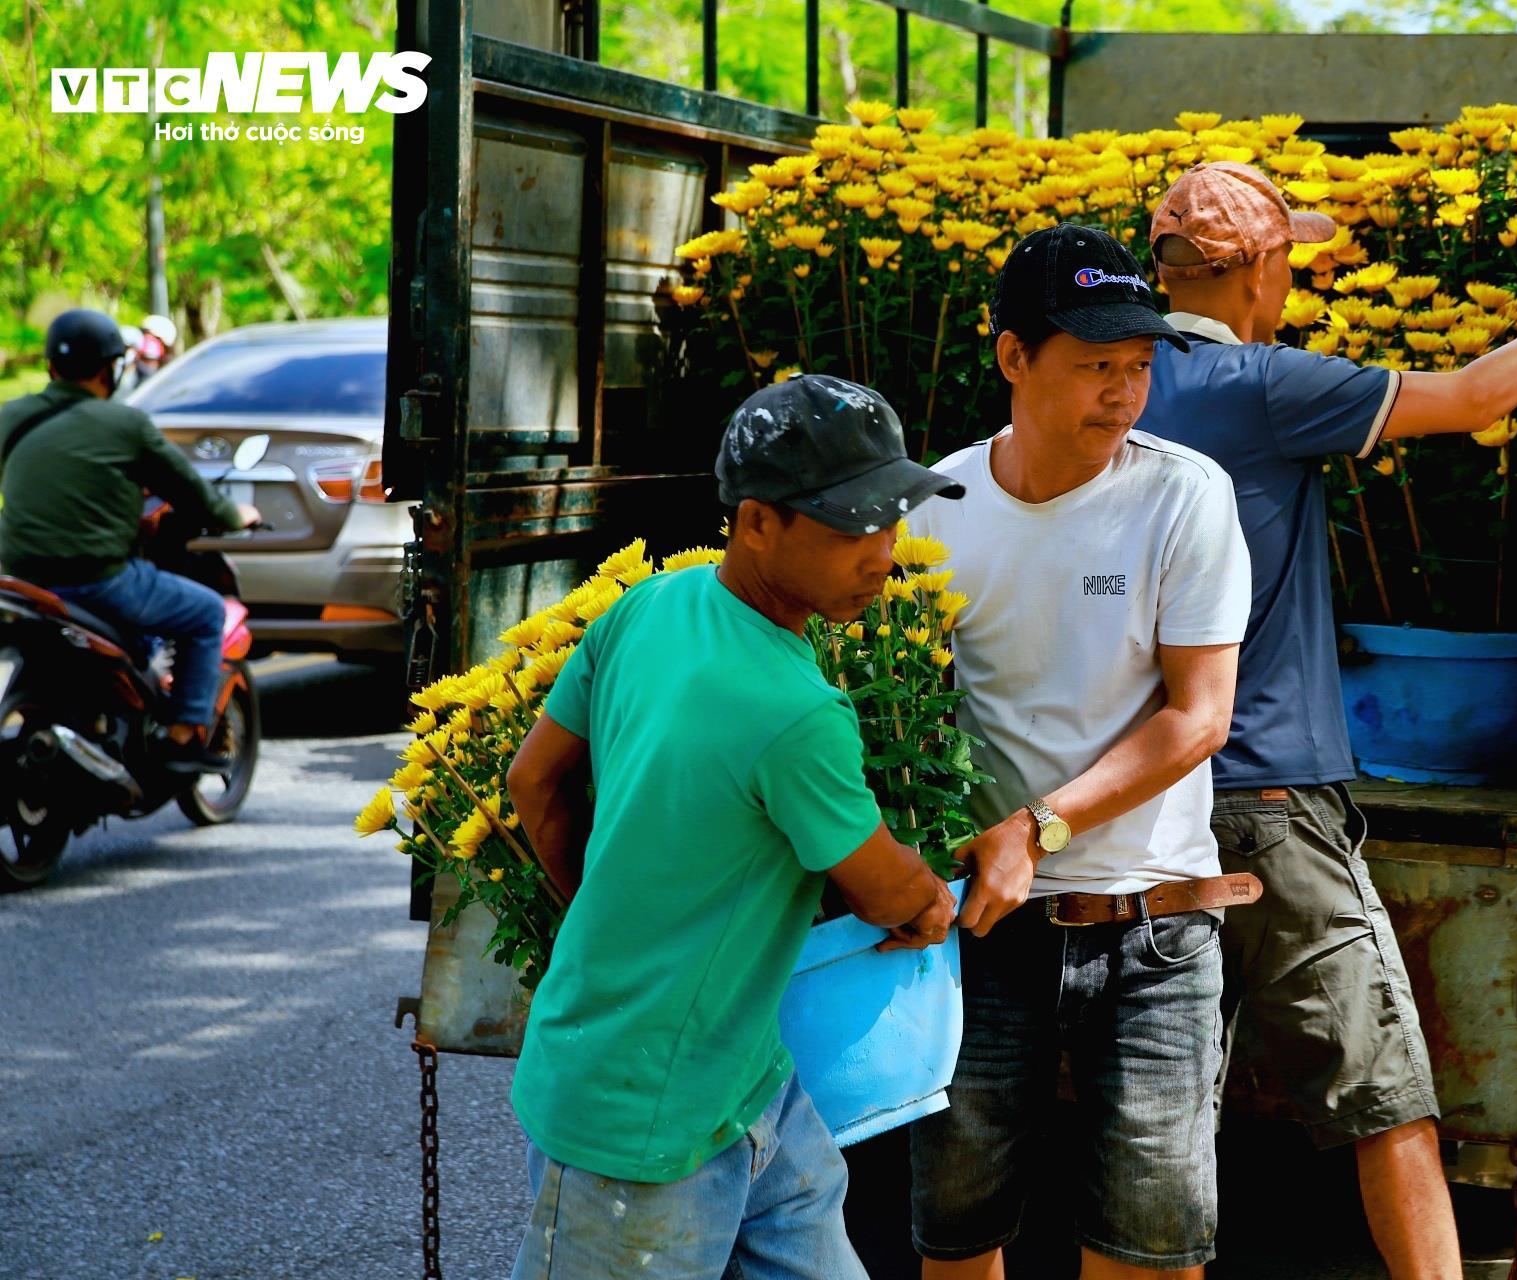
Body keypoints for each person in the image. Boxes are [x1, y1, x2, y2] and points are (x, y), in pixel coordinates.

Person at [1131, 161, 1517, 1279]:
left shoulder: (1115, 378)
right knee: (1387, 1098)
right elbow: (1479, 396)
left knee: (1172, 1109)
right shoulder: (1265, 386)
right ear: (1259, 273)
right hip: (1266, 800)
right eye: (1286, 267)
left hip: (1137, 803)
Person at [503, 374, 964, 1280]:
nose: (884, 554)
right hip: (644, 1122)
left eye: (892, 520)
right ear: (757, 522)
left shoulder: (649, 608)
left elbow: (533, 783)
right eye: (851, 527)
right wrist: (933, 903)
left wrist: (613, 924)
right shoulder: (796, 711)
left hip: (742, 1078)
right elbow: (886, 889)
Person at [907, 223, 1258, 1280]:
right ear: (1014, 357)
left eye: (1139, 366)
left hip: (1154, 928)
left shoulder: (1183, 494)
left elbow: (1199, 716)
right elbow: (901, 714)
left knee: (1149, 1254)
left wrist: (1038, 824)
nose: (1124, 392)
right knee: (958, 1237)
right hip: (983, 930)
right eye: (1096, 365)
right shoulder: (937, 507)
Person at [0, 308, 261, 771]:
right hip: (98, 581)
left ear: (50, 367)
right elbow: (194, 496)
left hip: (19, 582)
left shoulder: (10, 417)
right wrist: (237, 515)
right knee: (205, 612)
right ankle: (181, 739)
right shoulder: (125, 425)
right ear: (111, 368)